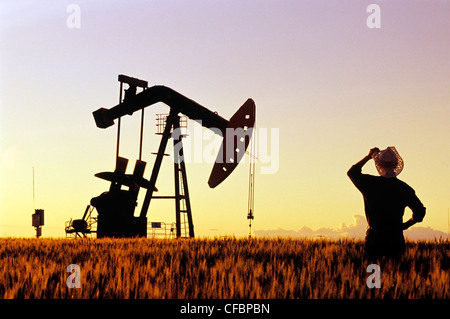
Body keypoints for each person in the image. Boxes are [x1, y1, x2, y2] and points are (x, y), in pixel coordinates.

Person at [347, 147, 426, 261]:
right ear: (395, 166)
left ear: (378, 165)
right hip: (395, 238)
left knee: (372, 277)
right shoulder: (404, 189)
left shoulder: (370, 184)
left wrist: (368, 156)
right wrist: (405, 225)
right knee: (395, 276)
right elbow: (420, 212)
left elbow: (352, 172)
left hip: (374, 238)